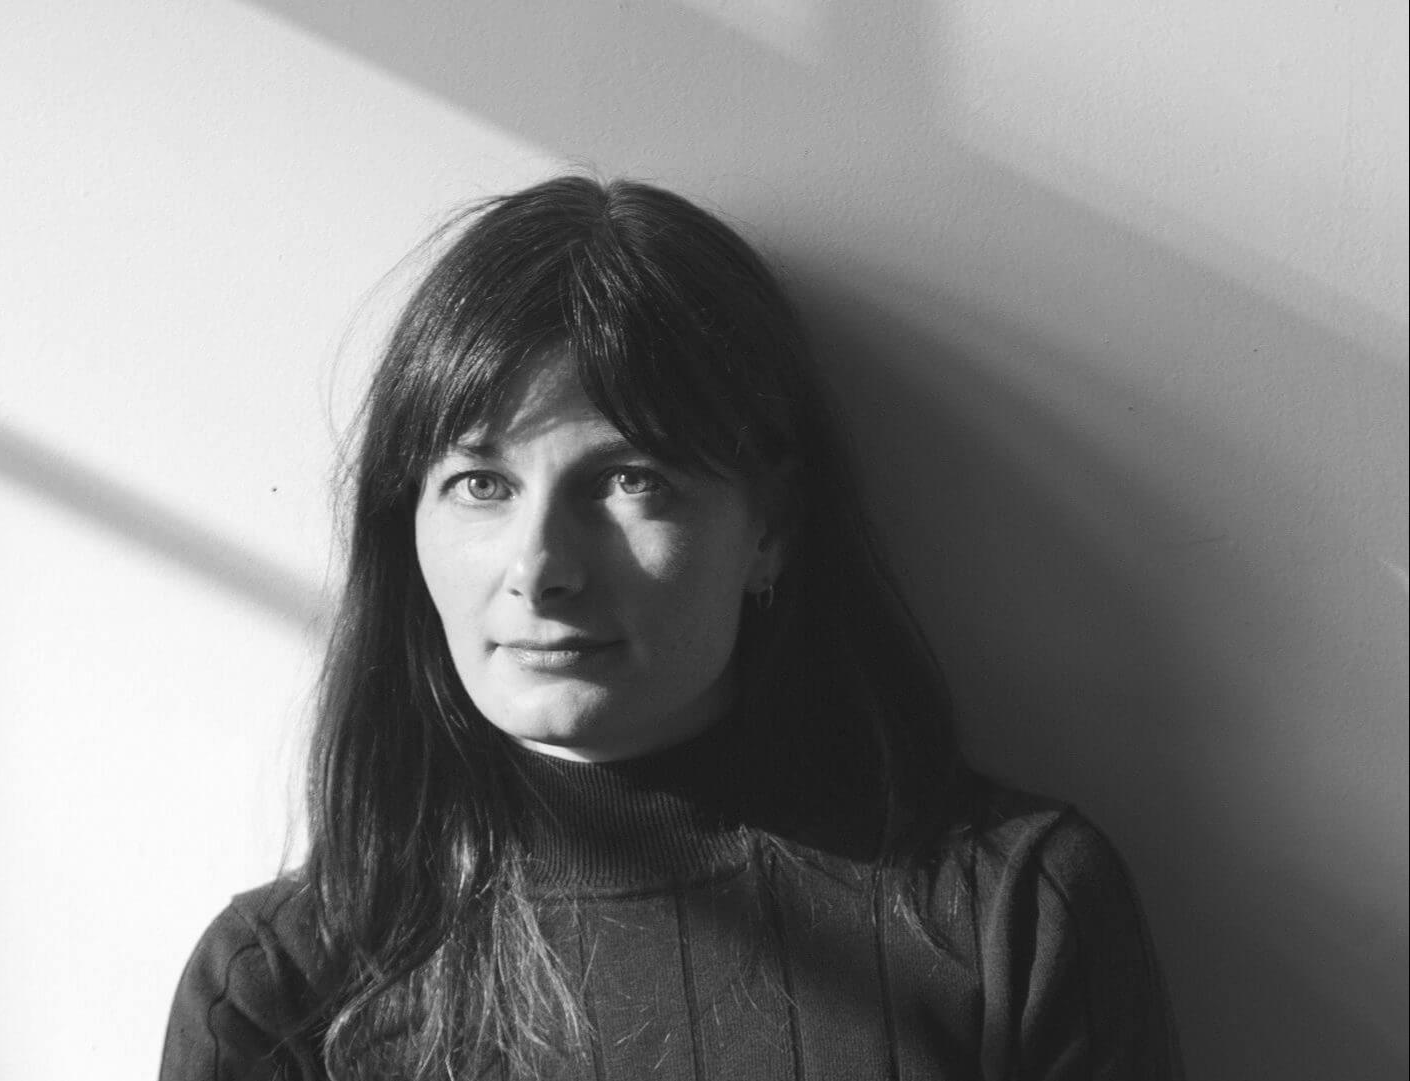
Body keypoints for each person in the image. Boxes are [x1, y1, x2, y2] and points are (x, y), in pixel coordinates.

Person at [159, 176, 1184, 1081]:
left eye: (629, 479)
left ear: (771, 527)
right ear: (406, 525)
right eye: (481, 484)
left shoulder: (1013, 915)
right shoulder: (280, 983)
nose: (541, 570)